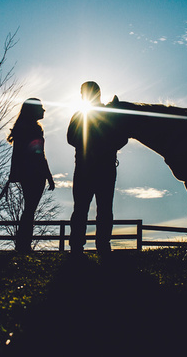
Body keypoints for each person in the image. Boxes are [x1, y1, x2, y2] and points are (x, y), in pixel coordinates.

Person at [67, 82, 127, 256]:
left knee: (83, 208)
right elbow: (122, 138)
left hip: (86, 167)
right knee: (102, 208)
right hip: (103, 167)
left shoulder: (80, 115)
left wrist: (89, 145)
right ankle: (101, 244)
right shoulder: (108, 115)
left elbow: (71, 138)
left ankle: (79, 246)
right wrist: (107, 146)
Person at [7, 98, 55, 253]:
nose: (43, 110)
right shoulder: (32, 128)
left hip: (28, 172)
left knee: (29, 209)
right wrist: (48, 175)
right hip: (34, 172)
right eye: (41, 107)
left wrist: (15, 173)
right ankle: (24, 245)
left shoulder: (24, 127)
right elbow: (39, 153)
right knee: (30, 209)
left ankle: (23, 244)